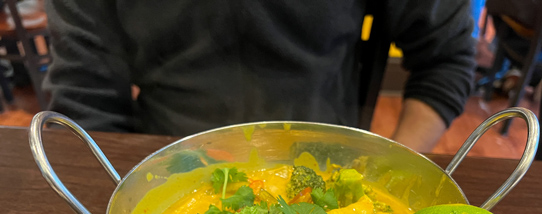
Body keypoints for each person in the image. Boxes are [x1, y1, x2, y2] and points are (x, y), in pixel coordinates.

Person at [43, 1, 475, 153]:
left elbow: (447, 56)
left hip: (328, 159)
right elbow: (84, 97)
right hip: (167, 164)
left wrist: (385, 176)